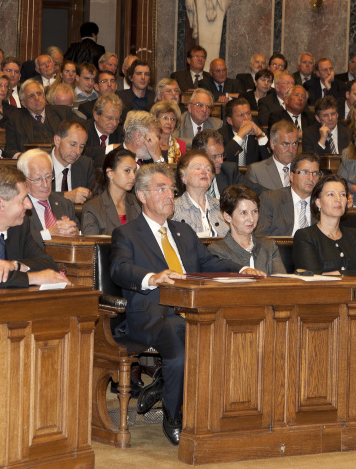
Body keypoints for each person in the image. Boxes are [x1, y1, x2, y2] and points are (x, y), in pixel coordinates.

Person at [110, 164, 261, 445]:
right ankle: (173, 415)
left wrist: (240, 270)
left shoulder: (183, 232)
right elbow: (119, 269)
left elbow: (208, 262)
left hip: (190, 309)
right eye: (161, 189)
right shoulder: (127, 233)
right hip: (152, 313)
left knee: (230, 332)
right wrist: (152, 278)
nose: (170, 195)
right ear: (142, 196)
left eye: (171, 189)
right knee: (180, 346)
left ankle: (191, 397)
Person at [293, 175, 356, 275]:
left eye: (343, 195)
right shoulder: (305, 236)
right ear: (318, 202)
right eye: (331, 194)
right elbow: (314, 279)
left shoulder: (354, 235)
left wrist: (337, 274)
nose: (338, 199)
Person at [208, 185, 286, 275]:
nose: (251, 219)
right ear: (227, 216)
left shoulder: (269, 246)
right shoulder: (217, 250)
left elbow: (282, 283)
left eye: (254, 211)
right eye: (243, 213)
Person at [16, 148, 80, 247]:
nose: (45, 185)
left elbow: (80, 240)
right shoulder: (17, 207)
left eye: (48, 176)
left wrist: (76, 234)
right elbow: (17, 242)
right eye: (38, 179)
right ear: (24, 180)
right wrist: (47, 234)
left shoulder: (65, 204)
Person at [3, 79, 79, 159]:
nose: (37, 98)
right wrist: (23, 157)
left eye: (39, 94)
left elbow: (82, 129)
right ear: (23, 103)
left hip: (62, 160)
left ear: (44, 96)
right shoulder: (15, 119)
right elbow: (9, 150)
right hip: (32, 163)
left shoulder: (63, 112)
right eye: (31, 96)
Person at [256, 153, 320, 237]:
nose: (311, 178)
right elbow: (261, 237)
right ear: (291, 176)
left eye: (315, 173)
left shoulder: (322, 204)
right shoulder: (270, 199)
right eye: (305, 172)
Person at [81, 147, 141, 235]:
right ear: (110, 173)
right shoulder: (92, 208)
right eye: (127, 171)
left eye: (134, 171)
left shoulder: (137, 203)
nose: (133, 176)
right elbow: (92, 246)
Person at [191, 128, 263, 197]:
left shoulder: (230, 171)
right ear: (199, 156)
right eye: (214, 156)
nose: (221, 161)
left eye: (222, 155)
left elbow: (259, 191)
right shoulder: (186, 178)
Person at [172, 150, 227, 237]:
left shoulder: (222, 207)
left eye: (208, 169)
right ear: (184, 178)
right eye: (198, 168)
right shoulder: (173, 209)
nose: (204, 172)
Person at [244, 120, 299, 190]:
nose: (291, 150)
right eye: (285, 144)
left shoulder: (305, 170)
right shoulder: (256, 171)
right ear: (272, 144)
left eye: (294, 144)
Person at [50, 120, 94, 203]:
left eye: (81, 147)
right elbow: (33, 195)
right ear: (57, 140)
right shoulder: (39, 164)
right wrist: (66, 196)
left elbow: (94, 198)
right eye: (73, 145)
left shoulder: (86, 165)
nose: (77, 152)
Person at [221, 97, 268, 166]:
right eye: (241, 115)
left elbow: (269, 161)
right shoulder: (220, 135)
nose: (246, 118)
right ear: (230, 121)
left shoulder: (259, 133)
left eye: (248, 113)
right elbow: (223, 159)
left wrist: (259, 134)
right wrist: (241, 135)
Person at [83, 93, 124, 168]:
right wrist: (110, 148)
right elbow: (83, 152)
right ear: (96, 115)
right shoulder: (83, 130)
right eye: (109, 118)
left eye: (117, 119)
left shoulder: (121, 133)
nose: (114, 123)